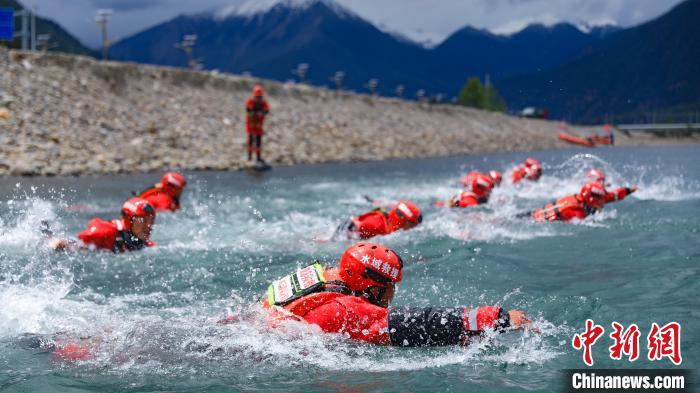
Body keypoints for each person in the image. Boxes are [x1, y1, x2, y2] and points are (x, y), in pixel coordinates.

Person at [258, 242, 532, 346]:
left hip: (253, 329)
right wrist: (496, 318)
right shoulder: (346, 308)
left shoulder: (322, 274)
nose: (393, 294)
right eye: (391, 287)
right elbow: (414, 324)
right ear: (374, 288)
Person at [49, 198, 156, 252]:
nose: (149, 226)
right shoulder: (106, 231)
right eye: (143, 221)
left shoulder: (146, 244)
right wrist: (59, 244)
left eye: (151, 221)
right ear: (129, 220)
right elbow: (77, 243)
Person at [526, 181, 636, 222]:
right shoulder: (577, 212)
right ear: (592, 199)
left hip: (532, 213)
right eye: (601, 200)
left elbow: (610, 196)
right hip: (532, 220)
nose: (603, 202)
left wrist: (628, 190)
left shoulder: (586, 200)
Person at [336, 201, 422, 239]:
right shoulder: (377, 225)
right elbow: (349, 225)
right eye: (413, 225)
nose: (413, 228)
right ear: (405, 222)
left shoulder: (388, 223)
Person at [246, 85, 270, 163]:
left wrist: (262, 112)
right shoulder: (250, 101)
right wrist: (254, 112)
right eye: (257, 96)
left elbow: (267, 110)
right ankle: (249, 157)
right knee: (251, 139)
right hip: (251, 123)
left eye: (259, 97)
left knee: (258, 140)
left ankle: (258, 157)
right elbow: (248, 109)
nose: (258, 98)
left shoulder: (263, 103)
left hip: (259, 124)